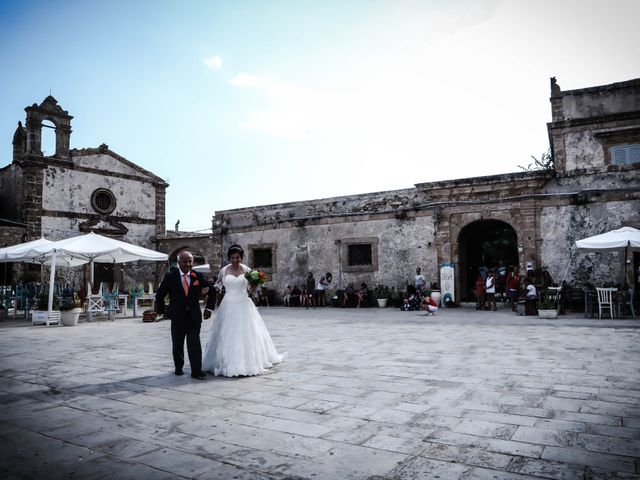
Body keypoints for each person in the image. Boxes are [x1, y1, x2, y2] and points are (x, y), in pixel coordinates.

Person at [202, 244, 285, 377]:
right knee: (227, 332)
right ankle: (225, 361)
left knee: (246, 332)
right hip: (228, 304)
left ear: (241, 258)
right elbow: (217, 285)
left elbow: (251, 290)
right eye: (233, 258)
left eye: (238, 258)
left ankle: (247, 362)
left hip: (243, 303)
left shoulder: (247, 270)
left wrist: (254, 285)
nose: (235, 260)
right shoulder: (224, 271)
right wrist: (209, 290)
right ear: (229, 258)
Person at [155, 250, 217, 379]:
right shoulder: (170, 277)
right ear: (179, 263)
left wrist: (209, 308)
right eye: (185, 261)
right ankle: (178, 368)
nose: (188, 264)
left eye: (190, 261)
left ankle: (196, 371)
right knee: (177, 344)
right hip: (177, 317)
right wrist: (163, 311)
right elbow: (160, 294)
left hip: (194, 317)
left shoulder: (197, 276)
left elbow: (212, 290)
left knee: (194, 343)